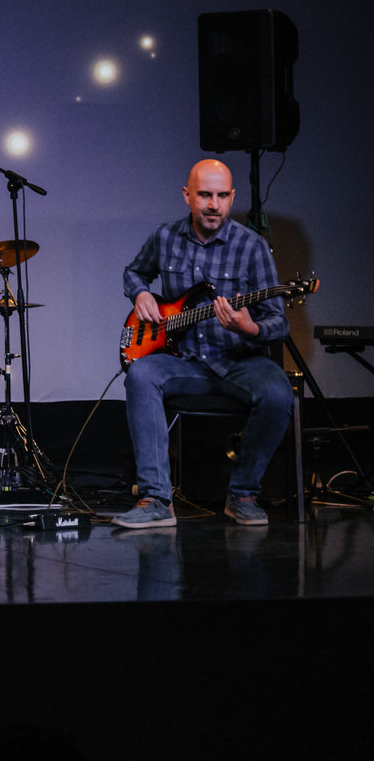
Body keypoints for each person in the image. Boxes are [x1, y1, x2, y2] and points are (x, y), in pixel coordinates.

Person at [115, 158, 295, 528]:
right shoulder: (165, 237)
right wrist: (141, 294)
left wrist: (250, 328)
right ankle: (156, 500)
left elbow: (278, 322)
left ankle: (243, 495)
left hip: (240, 362)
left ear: (233, 197)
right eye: (205, 195)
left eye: (222, 196)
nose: (214, 205)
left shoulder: (252, 246)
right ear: (187, 195)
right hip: (183, 360)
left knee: (278, 393)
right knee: (140, 376)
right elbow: (134, 272)